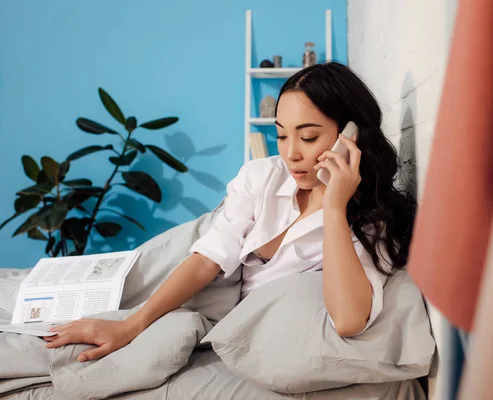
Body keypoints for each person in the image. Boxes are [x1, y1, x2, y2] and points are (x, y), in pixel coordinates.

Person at [44, 62, 417, 362]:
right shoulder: (262, 176)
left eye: (307, 137)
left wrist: (335, 207)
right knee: (69, 299)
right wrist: (131, 324)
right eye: (282, 135)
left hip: (223, 320)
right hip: (192, 282)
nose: (291, 154)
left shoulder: (370, 221)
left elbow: (350, 319)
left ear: (349, 136)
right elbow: (207, 256)